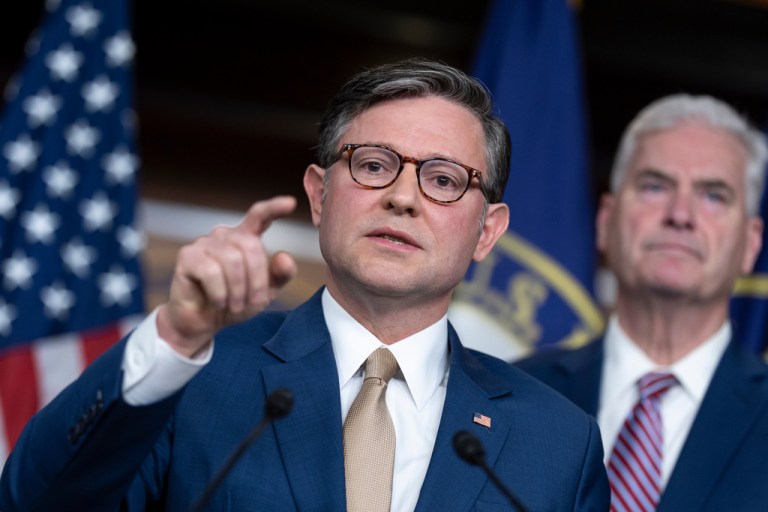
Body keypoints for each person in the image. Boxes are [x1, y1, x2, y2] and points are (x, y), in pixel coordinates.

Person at [0, 59, 609, 511]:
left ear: (486, 231)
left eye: (444, 179)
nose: (401, 197)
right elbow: (35, 501)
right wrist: (175, 337)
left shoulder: (557, 441)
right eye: (373, 165)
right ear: (320, 195)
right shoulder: (197, 373)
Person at [517, 94, 768, 512]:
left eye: (713, 196)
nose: (680, 215)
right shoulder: (513, 395)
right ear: (605, 222)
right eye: (655, 186)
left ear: (751, 243)